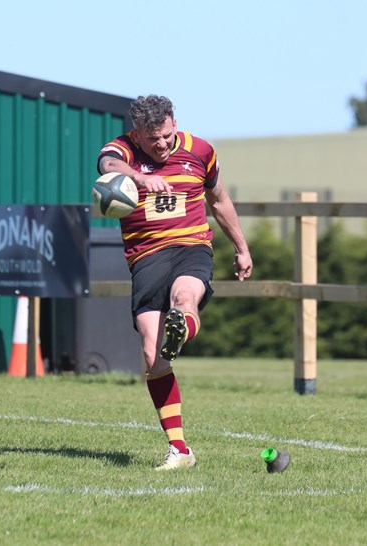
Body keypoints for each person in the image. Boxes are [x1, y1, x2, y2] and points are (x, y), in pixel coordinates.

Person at [97, 95, 253, 471]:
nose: (162, 144)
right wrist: (139, 178)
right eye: (153, 139)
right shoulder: (122, 150)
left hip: (190, 247)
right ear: (138, 133)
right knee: (153, 356)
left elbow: (219, 200)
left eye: (167, 135)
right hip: (145, 258)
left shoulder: (201, 151)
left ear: (174, 123)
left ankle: (182, 322)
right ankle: (180, 450)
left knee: (186, 295)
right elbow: (108, 164)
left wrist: (242, 248)